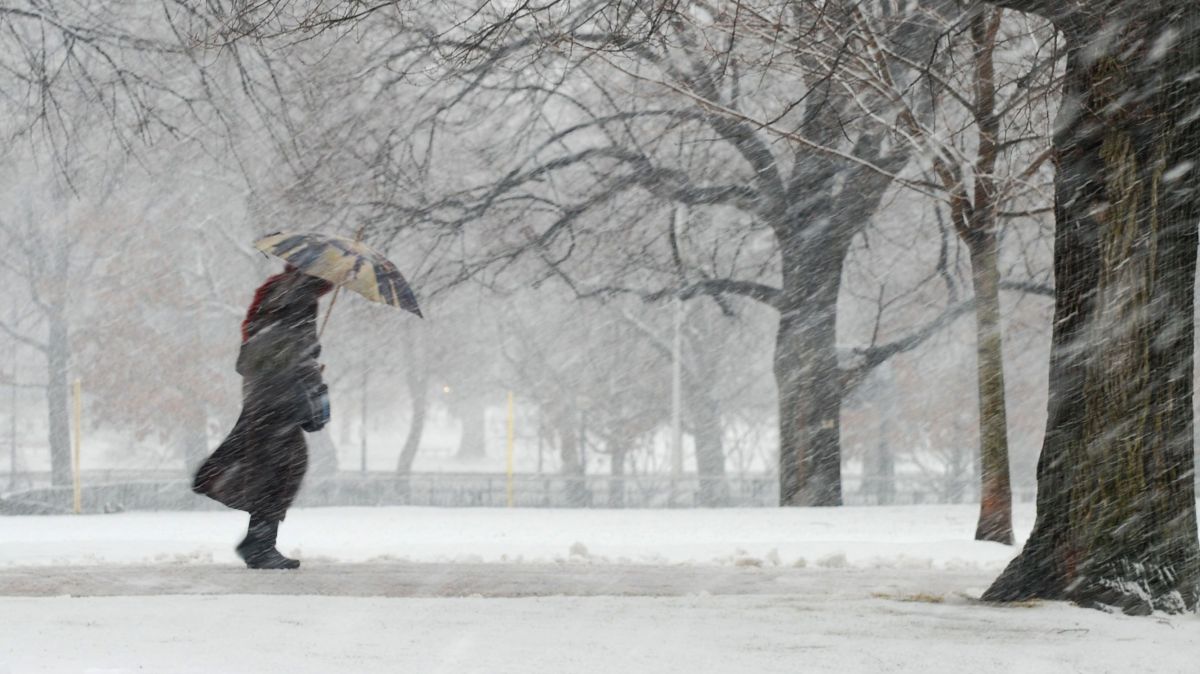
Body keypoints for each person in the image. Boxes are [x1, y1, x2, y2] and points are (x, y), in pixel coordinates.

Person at [193, 265, 333, 569]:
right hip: (278, 396)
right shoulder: (301, 295)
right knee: (280, 470)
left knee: (271, 467)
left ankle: (257, 541)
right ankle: (258, 544)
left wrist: (303, 359)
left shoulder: (278, 291)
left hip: (262, 393)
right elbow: (292, 345)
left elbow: (263, 345)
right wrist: (309, 368)